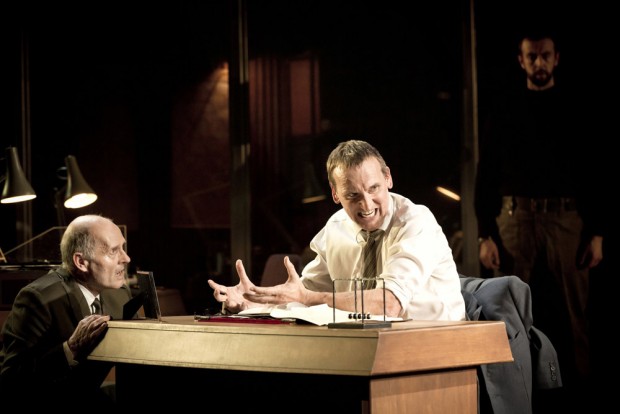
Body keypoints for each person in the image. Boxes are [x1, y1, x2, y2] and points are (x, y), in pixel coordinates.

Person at [474, 27, 603, 406]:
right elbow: (486, 176)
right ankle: (508, 395)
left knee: (576, 312)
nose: (539, 63)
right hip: (515, 216)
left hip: (565, 218)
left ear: (556, 58)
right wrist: (486, 234)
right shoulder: (506, 108)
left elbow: (592, 173)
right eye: (532, 56)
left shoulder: (575, 106)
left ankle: (582, 390)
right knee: (504, 310)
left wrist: (596, 232)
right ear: (521, 60)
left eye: (545, 55)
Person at [208, 139, 466, 321]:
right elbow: (301, 293)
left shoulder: (416, 222)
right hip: (370, 343)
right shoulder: (335, 228)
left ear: (388, 178)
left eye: (374, 188)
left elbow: (390, 304)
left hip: (438, 341)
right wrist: (248, 303)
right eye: (352, 195)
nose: (366, 205)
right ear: (335, 194)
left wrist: (309, 298)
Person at [0, 214, 133, 408]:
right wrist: (70, 349)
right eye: (114, 251)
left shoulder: (119, 295)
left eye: (123, 247)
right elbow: (11, 384)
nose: (126, 258)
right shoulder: (38, 298)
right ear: (81, 262)